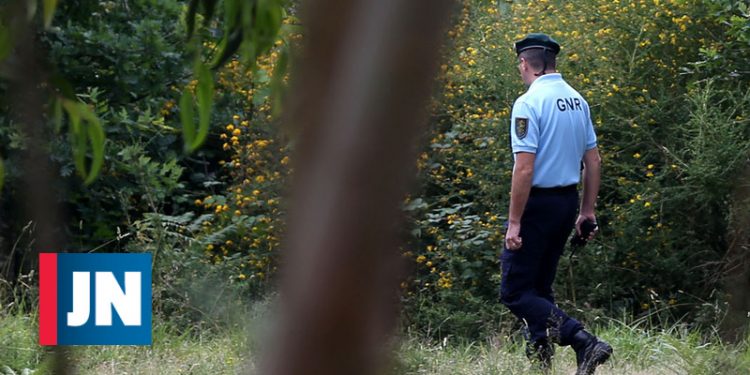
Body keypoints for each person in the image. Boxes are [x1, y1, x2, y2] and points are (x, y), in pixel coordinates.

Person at [499, 33, 612, 375]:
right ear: (553, 61)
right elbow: (593, 161)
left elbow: (525, 167)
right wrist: (587, 211)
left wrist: (515, 221)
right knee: (540, 287)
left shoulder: (528, 103)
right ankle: (541, 363)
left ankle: (583, 340)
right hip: (566, 203)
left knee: (516, 292)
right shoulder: (578, 100)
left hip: (537, 205)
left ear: (524, 63)